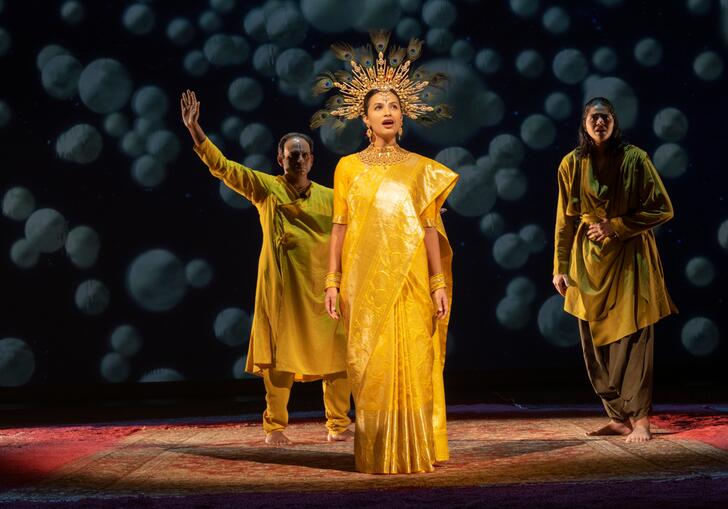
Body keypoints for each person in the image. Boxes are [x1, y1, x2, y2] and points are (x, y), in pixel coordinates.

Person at [312, 32, 458, 473]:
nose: (388, 112)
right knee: (369, 365)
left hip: (412, 281)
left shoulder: (422, 171)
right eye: (378, 107)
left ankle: (416, 448)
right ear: (365, 119)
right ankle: (375, 451)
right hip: (363, 282)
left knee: (415, 360)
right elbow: (340, 228)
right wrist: (332, 281)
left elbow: (430, 228)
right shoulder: (347, 168)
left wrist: (437, 283)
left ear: (404, 115)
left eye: (394, 106)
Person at [180, 89, 353, 446]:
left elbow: (370, 218)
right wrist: (196, 130)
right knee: (280, 359)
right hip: (282, 292)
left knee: (337, 356)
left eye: (304, 155)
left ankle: (338, 424)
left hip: (325, 292)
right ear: (280, 159)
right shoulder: (266, 189)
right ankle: (275, 427)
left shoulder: (333, 198)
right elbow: (224, 168)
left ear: (312, 159)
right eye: (292, 155)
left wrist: (416, 214)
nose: (299, 160)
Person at [552, 97, 677, 443]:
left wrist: (617, 227)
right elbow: (564, 220)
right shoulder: (571, 164)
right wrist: (559, 266)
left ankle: (641, 419)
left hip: (630, 259)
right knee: (593, 341)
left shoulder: (636, 159)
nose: (600, 124)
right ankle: (618, 416)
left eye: (605, 118)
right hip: (587, 261)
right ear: (584, 124)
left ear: (614, 122)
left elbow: (663, 208)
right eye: (594, 118)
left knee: (633, 337)